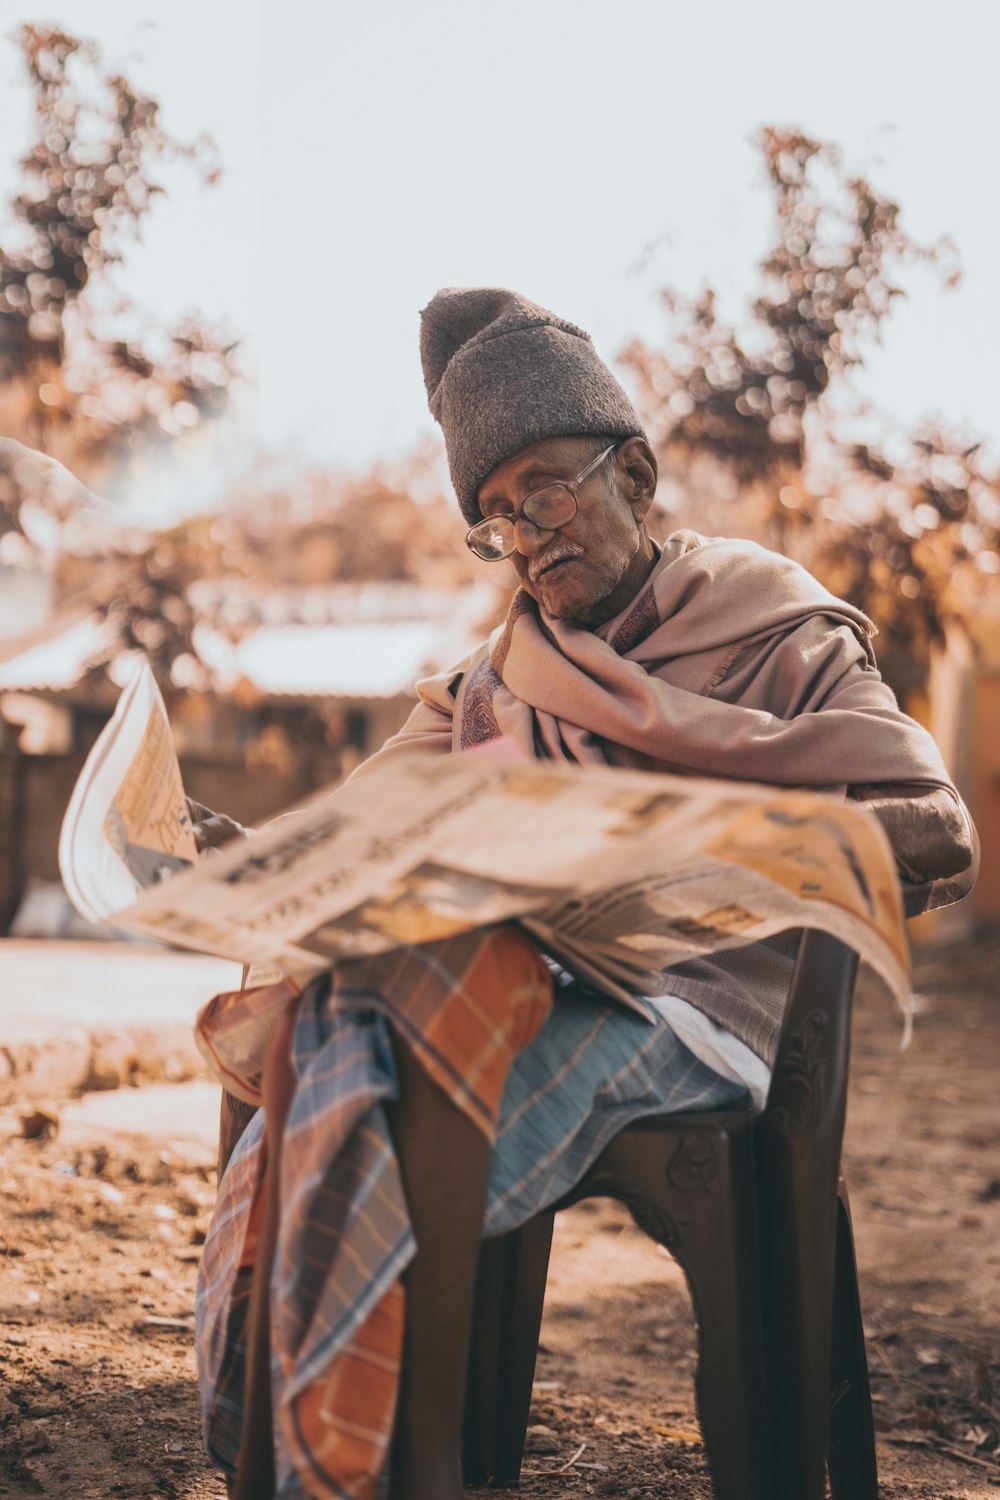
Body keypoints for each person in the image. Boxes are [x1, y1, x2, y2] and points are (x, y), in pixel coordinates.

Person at [192, 288, 975, 1500]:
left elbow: (934, 829)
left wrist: (697, 858)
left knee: (376, 1093)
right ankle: (343, 1452)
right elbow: (351, 835)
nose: (527, 537)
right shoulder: (489, 684)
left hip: (702, 1011)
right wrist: (240, 863)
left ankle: (365, 1459)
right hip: (523, 994)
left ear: (638, 475)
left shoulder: (776, 633)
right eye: (497, 519)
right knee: (331, 1019)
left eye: (546, 491)